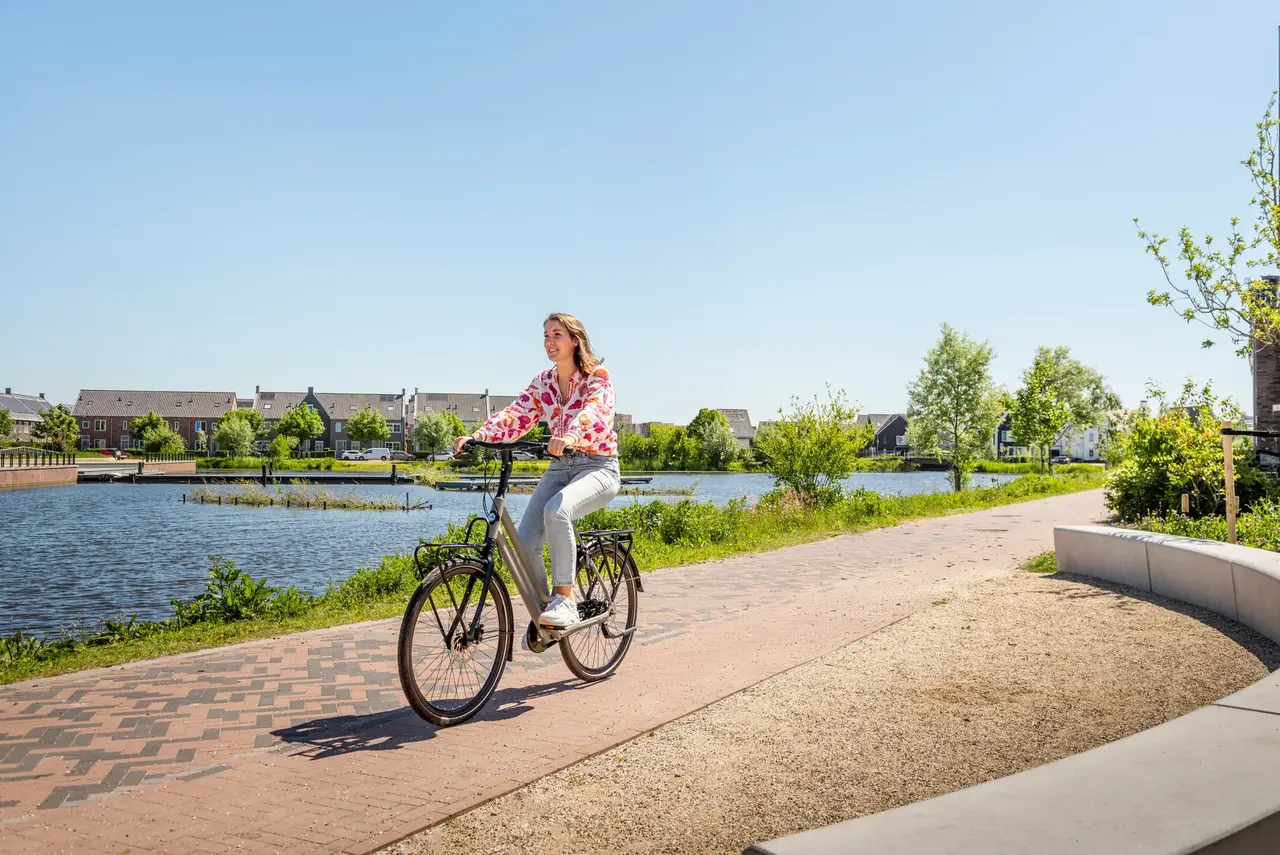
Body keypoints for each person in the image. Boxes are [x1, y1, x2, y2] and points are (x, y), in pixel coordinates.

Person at [455, 312, 620, 630]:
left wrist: (572, 435)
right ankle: (548, 611)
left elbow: (595, 411)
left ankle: (565, 600)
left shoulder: (596, 377)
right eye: (546, 336)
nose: (549, 342)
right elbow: (516, 414)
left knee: (556, 511)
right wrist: (478, 436)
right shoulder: (543, 382)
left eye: (557, 335)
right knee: (525, 542)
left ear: (575, 340)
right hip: (560, 467)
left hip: (598, 466)